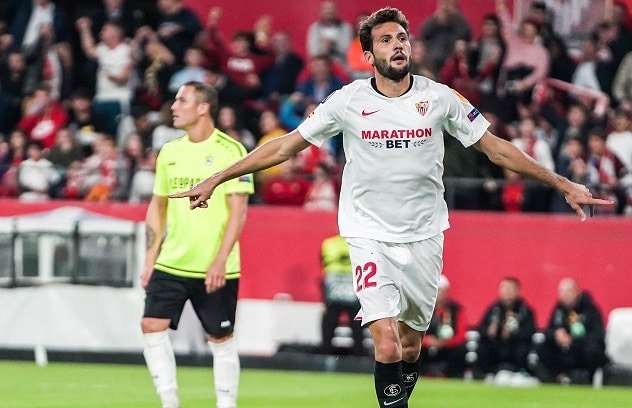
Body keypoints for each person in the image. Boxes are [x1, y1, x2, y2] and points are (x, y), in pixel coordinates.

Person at [169, 8, 609, 408]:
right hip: (368, 232)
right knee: (385, 343)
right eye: (386, 40)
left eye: (402, 37)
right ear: (368, 54)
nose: (398, 44)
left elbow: (496, 149)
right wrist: (218, 176)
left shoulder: (440, 98)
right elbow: (284, 146)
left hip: (424, 234)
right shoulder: (347, 101)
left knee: (410, 346)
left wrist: (561, 182)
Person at [139, 81, 253, 408]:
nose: (174, 106)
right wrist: (150, 259)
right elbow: (157, 208)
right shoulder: (170, 153)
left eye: (182, 100)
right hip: (172, 261)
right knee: (150, 324)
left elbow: (238, 213)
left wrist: (220, 260)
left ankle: (226, 404)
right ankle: (169, 401)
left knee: (220, 338)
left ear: (203, 107)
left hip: (216, 267)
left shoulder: (231, 152)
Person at [536, 277, 607, 384]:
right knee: (541, 346)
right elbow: (548, 330)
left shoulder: (590, 309)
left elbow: (598, 335)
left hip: (580, 349)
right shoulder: (558, 310)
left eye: (569, 291)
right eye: (562, 291)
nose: (565, 295)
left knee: (593, 351)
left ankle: (586, 378)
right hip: (562, 350)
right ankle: (558, 377)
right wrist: (556, 334)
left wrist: (574, 339)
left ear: (577, 291)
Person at [475, 276, 537, 379]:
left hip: (515, 346)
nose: (506, 292)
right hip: (496, 345)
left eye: (510, 289)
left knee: (523, 349)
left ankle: (518, 374)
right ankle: (488, 374)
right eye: (504, 288)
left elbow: (530, 331)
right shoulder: (494, 309)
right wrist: (489, 331)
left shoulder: (525, 310)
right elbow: (480, 329)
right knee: (482, 347)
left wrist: (513, 334)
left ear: (518, 291)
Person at [319, 234, 365, 355]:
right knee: (357, 325)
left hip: (335, 288)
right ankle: (358, 357)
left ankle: (326, 355)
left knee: (330, 322)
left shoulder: (329, 243)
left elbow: (324, 262)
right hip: (349, 288)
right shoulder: (360, 244)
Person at [420, 275, 467, 378]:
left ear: (446, 292)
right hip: (426, 345)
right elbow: (412, 331)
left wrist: (445, 343)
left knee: (460, 349)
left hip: (449, 348)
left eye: (439, 290)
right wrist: (426, 341)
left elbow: (461, 335)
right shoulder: (422, 308)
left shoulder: (456, 309)